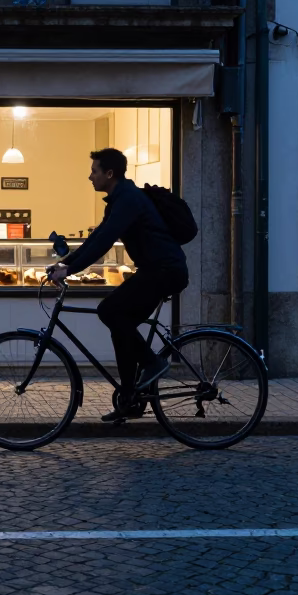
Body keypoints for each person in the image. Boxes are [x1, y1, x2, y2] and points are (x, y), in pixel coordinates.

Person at [46, 148, 188, 422]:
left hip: (164, 271)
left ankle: (154, 363)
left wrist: (70, 269)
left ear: (109, 174)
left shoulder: (129, 200)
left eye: (94, 171)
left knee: (109, 311)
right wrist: (66, 263)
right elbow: (97, 236)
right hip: (156, 270)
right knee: (119, 325)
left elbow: (105, 240)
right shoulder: (120, 199)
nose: (90, 177)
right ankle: (130, 399)